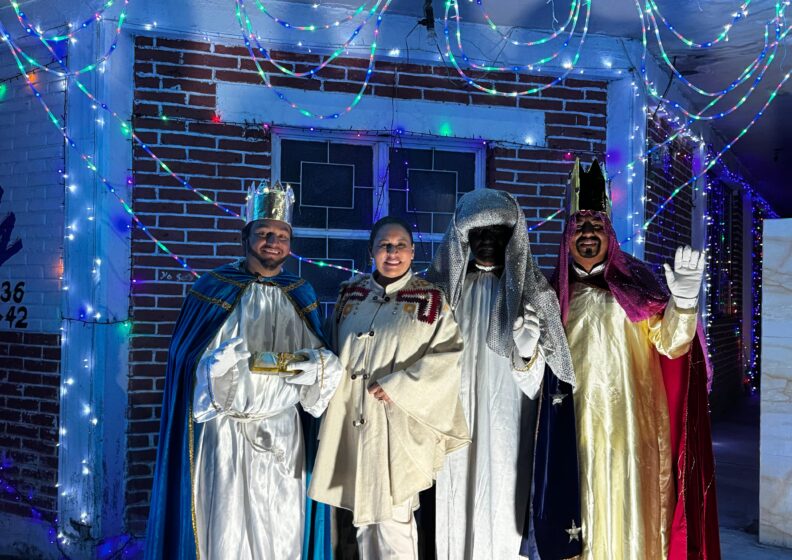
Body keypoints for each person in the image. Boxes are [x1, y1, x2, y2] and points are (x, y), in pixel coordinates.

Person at [144, 181, 343, 560]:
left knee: (283, 528)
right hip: (225, 431)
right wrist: (211, 367)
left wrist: (319, 367)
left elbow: (325, 361)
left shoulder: (300, 292)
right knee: (225, 529)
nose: (273, 242)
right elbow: (183, 357)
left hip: (283, 432)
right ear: (245, 237)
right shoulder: (213, 288)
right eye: (264, 233)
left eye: (282, 236)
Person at [550, 159, 720, 559]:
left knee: (631, 516)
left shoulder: (635, 283)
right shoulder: (550, 293)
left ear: (610, 234)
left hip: (633, 430)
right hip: (574, 431)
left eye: (596, 226)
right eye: (579, 226)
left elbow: (672, 344)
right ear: (567, 237)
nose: (587, 234)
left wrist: (684, 303)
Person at [428, 189, 580, 560]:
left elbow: (543, 387)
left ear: (512, 238)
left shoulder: (535, 295)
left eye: (496, 233)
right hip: (452, 421)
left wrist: (527, 353)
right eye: (478, 233)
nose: (486, 241)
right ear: (464, 237)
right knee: (452, 503)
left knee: (501, 506)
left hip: (507, 426)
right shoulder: (440, 294)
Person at [309, 216, 470, 559]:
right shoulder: (350, 295)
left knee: (394, 520)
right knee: (365, 521)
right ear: (372, 251)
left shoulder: (431, 299)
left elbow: (448, 357)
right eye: (384, 245)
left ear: (412, 252)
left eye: (400, 246)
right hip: (353, 422)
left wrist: (400, 385)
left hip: (398, 424)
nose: (392, 252)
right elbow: (331, 346)